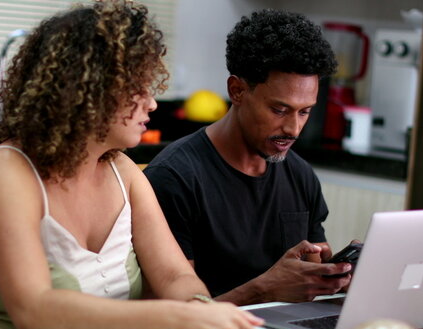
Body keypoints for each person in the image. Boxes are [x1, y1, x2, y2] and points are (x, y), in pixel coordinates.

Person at [0, 2, 262, 329]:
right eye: (138, 88)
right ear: (89, 91)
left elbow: (175, 276)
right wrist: (179, 317)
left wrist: (201, 308)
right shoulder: (6, 173)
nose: (152, 104)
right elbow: (35, 310)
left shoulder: (122, 171)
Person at [144, 9, 353, 306]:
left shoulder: (301, 175)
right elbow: (170, 312)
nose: (293, 129)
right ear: (237, 90)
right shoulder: (174, 178)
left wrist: (334, 277)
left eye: (305, 111)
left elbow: (312, 265)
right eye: (279, 110)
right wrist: (263, 290)